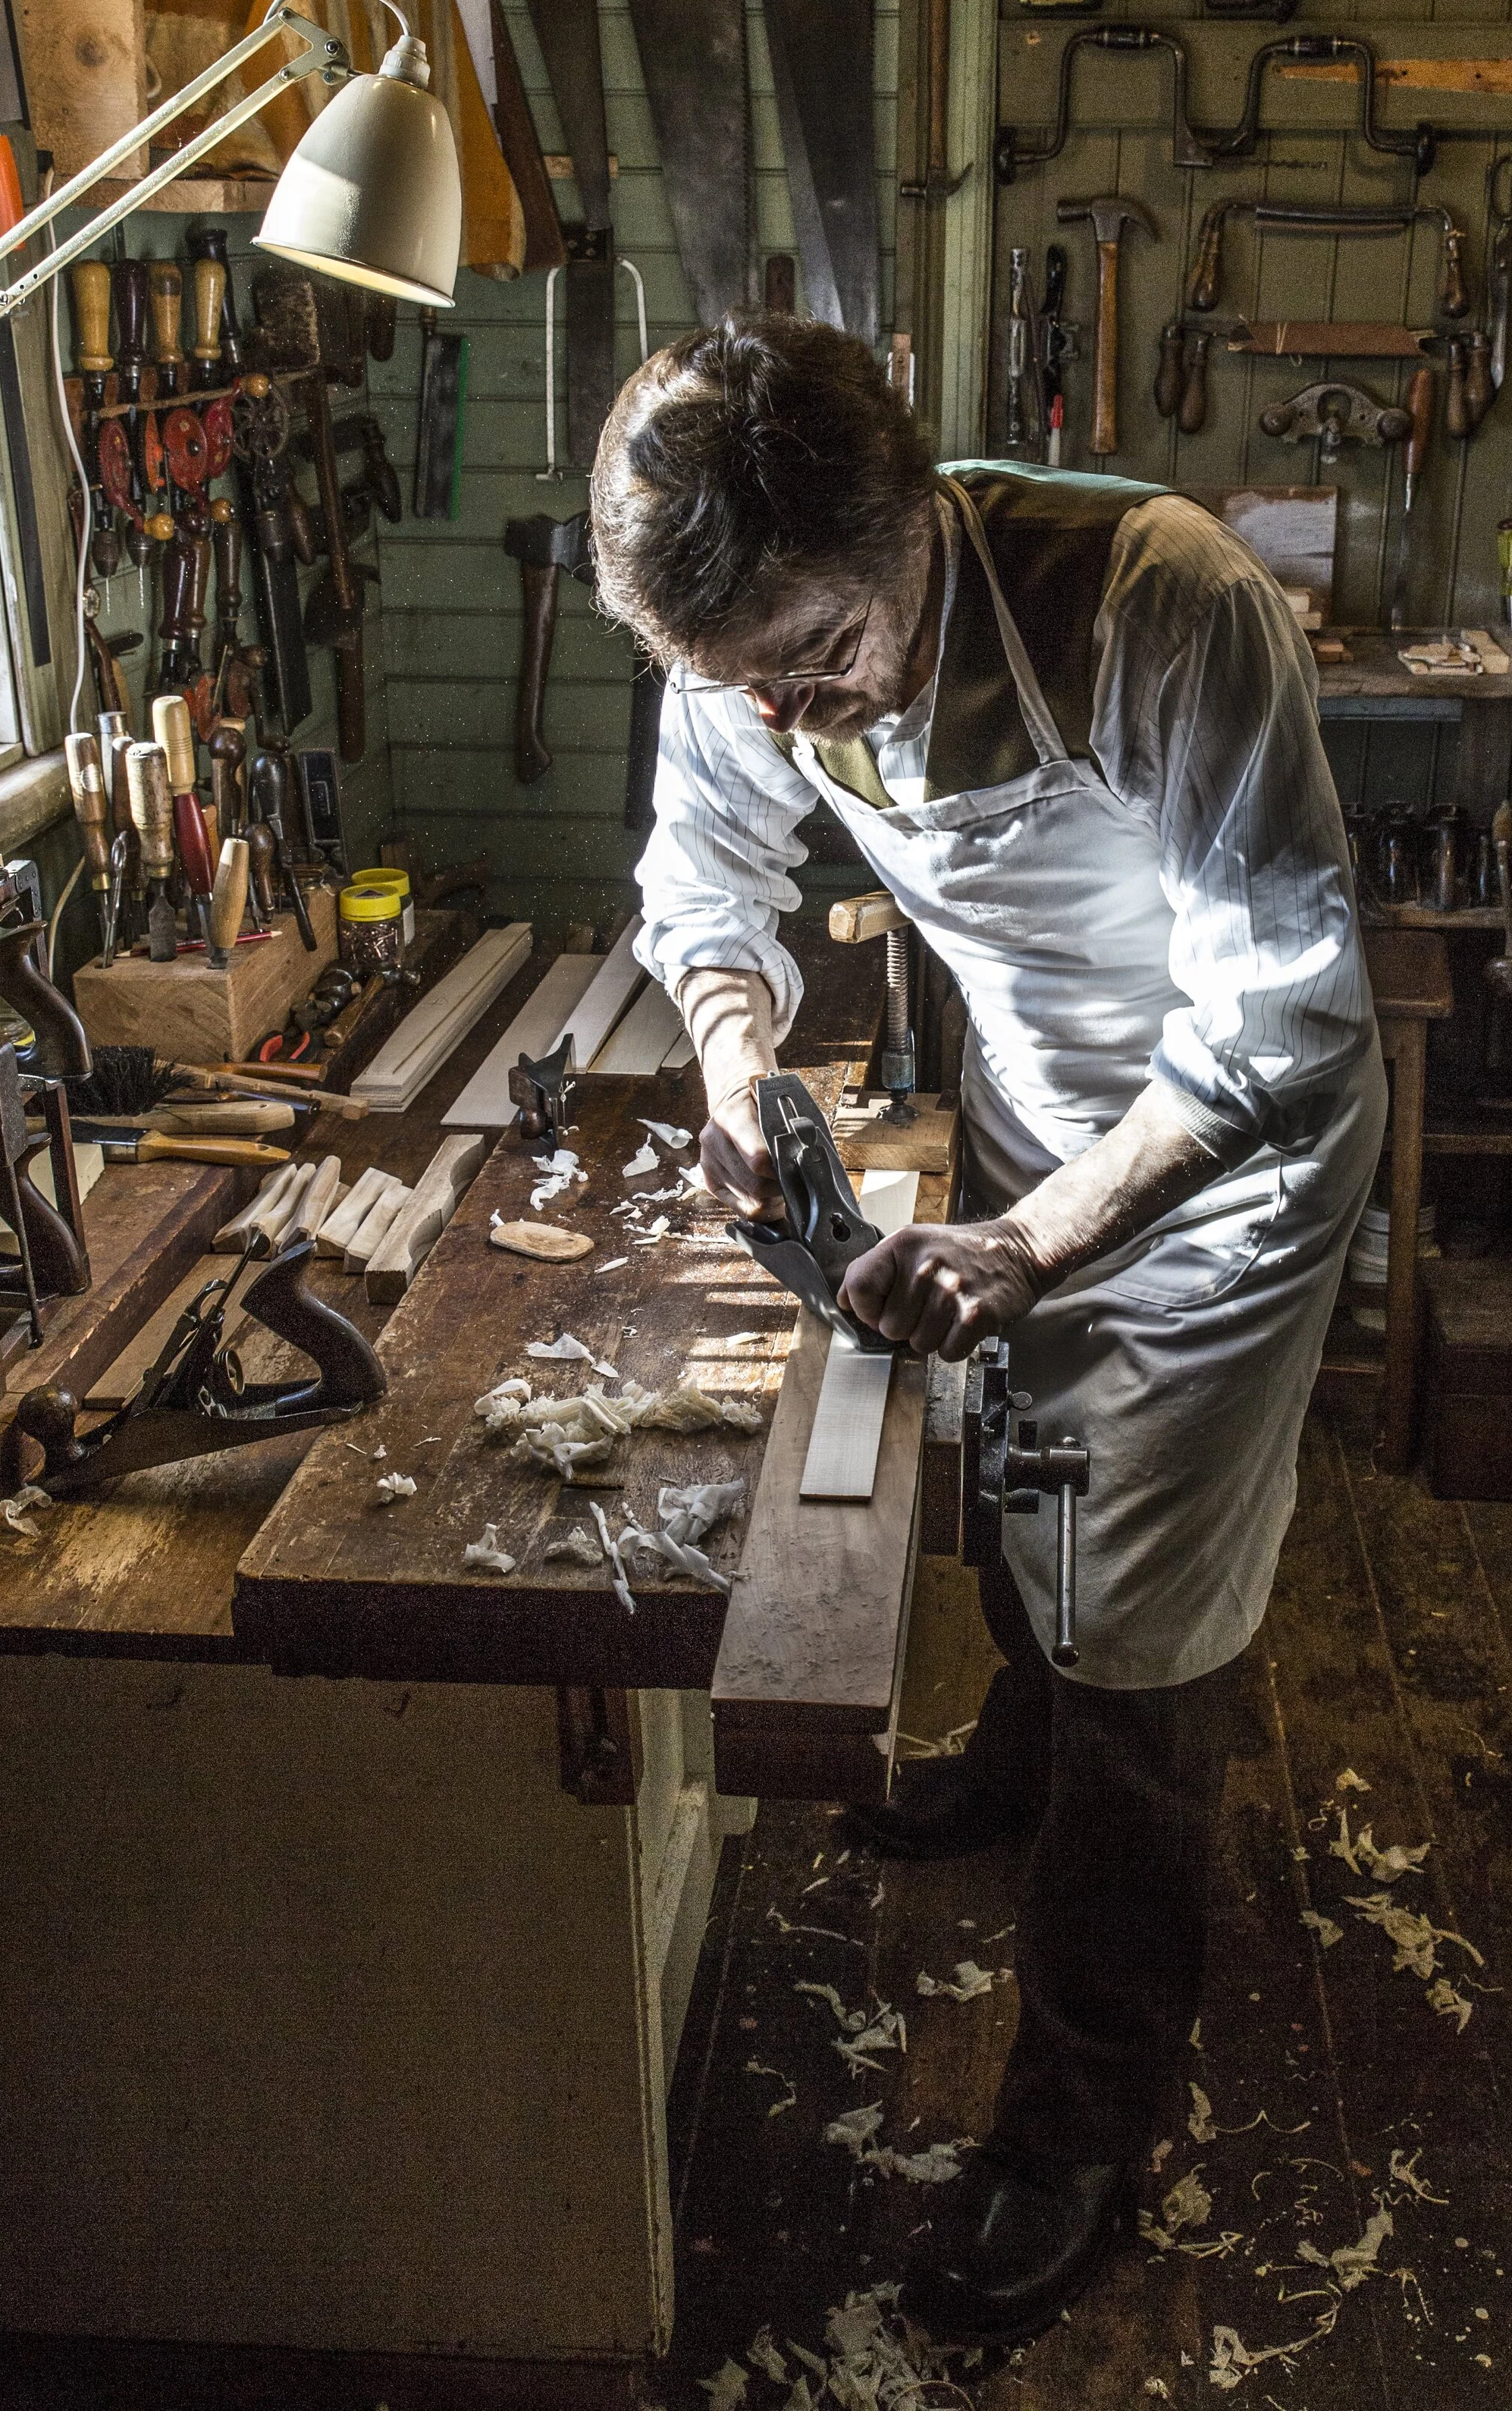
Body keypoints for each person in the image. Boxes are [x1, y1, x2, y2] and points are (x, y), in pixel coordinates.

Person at [589, 312, 1385, 2347]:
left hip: (1223, 1175)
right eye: (743, 686)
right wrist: (740, 1056)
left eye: (820, 662)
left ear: (913, 524)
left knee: (1149, 1636)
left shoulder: (1159, 604)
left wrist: (1038, 1238)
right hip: (1036, 1121)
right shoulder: (752, 633)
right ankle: (1017, 1758)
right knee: (1031, 1487)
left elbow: (1283, 1012)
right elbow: (705, 866)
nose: (786, 717)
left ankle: (1081, 2120)